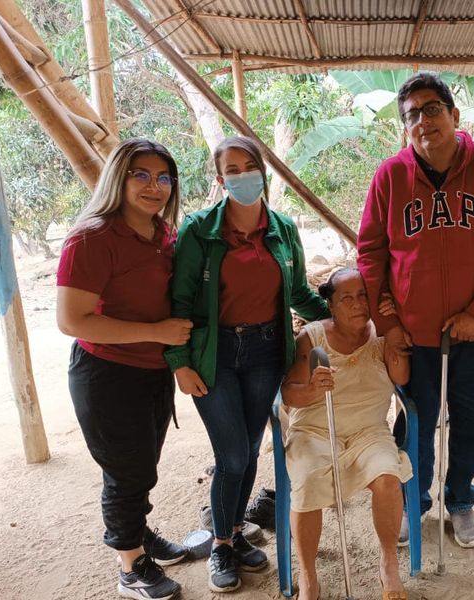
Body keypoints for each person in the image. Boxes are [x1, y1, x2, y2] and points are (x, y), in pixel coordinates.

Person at [357, 72, 474, 548]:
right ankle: (414, 502)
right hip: (414, 336)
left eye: (432, 109)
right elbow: (370, 252)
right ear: (404, 127)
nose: (423, 121)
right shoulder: (390, 176)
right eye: (412, 115)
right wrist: (388, 325)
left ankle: (461, 498)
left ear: (454, 114)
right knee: (414, 423)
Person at [164, 136, 329, 592]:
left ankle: (235, 534)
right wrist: (179, 363)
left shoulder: (282, 229)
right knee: (232, 454)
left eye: (249, 167)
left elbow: (298, 291)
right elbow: (179, 301)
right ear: (220, 180)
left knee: (251, 449)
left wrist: (340, 318)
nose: (242, 176)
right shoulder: (199, 230)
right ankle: (220, 544)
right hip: (214, 353)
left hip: (265, 351)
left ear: (263, 171)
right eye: (232, 170)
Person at [57, 138, 190, 600]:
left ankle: (138, 534)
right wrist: (157, 332)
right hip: (106, 373)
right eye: (142, 175)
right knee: (126, 472)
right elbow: (72, 320)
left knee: (143, 465)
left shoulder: (164, 233)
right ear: (119, 178)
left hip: (152, 370)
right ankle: (130, 565)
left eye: (164, 177)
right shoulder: (92, 238)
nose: (155, 186)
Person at [281, 268, 412, 600]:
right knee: (308, 480)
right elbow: (289, 394)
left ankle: (388, 562)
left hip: (369, 431)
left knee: (388, 478)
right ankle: (308, 576)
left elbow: (401, 377)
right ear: (331, 305)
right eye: (347, 298)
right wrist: (312, 389)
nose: (357, 304)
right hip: (315, 431)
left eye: (363, 295)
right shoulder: (312, 338)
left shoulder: (381, 333)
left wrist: (394, 330)